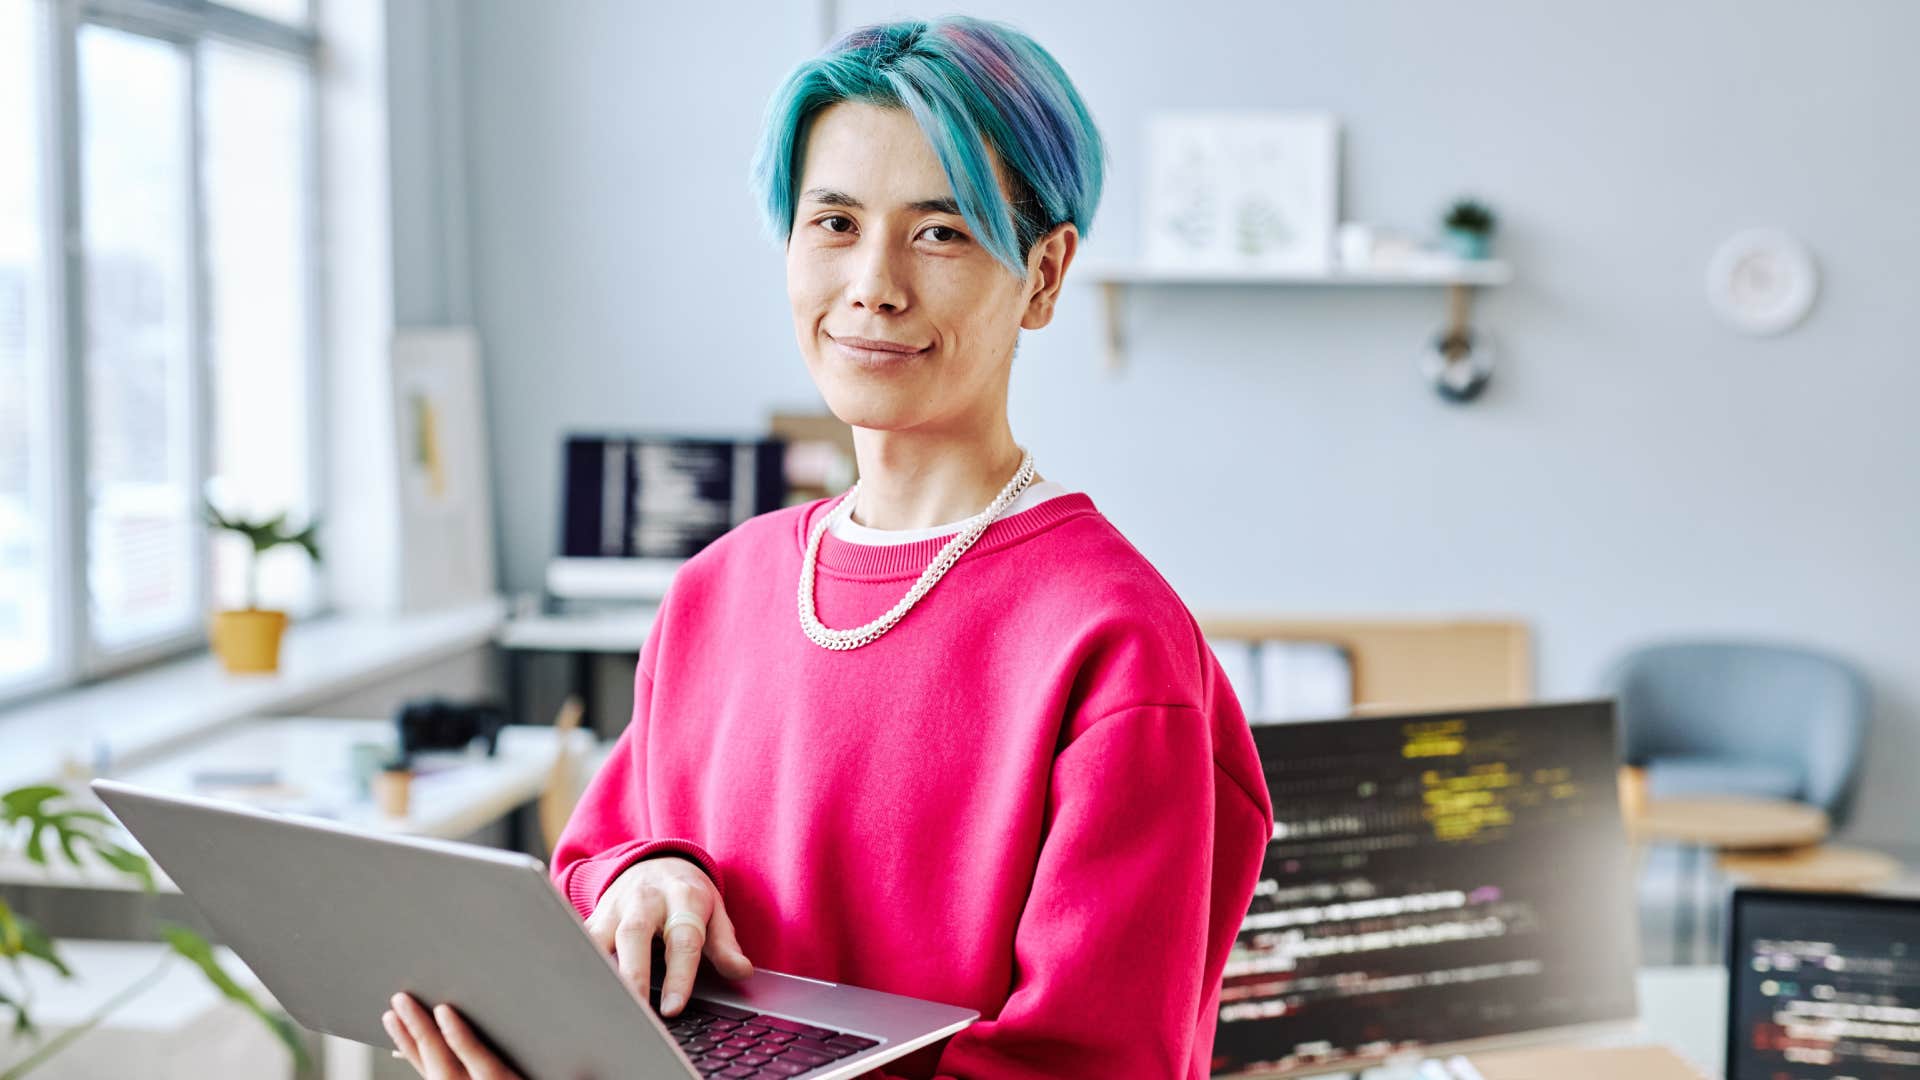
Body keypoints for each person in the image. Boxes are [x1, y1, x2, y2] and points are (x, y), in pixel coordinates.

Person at [384, 15, 1273, 1079]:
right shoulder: (722, 589)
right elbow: (598, 856)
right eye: (835, 222)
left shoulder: (1117, 645)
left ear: (1043, 274)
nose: (874, 284)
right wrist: (649, 879)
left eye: (940, 232)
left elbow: (1096, 1063)